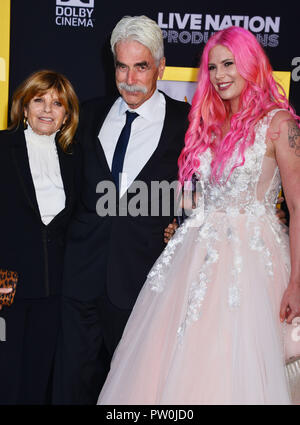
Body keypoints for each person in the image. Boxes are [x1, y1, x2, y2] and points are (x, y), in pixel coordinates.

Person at [98, 26, 300, 405]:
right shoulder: (207, 121)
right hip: (194, 257)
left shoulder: (279, 125)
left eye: (229, 64)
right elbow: (200, 195)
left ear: (251, 64)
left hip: (253, 264)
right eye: (213, 67)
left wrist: (299, 282)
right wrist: (175, 219)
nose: (220, 75)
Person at [55, 15, 190, 405]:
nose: (130, 78)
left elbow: (207, 189)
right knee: (72, 387)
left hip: (142, 283)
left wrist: (180, 224)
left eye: (141, 66)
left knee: (134, 394)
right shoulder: (86, 115)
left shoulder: (187, 123)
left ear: (160, 67)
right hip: (80, 278)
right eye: (122, 65)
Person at [0, 70, 79, 404]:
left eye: (57, 103)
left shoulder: (75, 159)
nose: (48, 109)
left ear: (66, 115)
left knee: (38, 384)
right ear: (24, 106)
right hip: (7, 288)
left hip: (55, 292)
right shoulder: (3, 147)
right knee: (4, 380)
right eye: (39, 100)